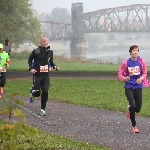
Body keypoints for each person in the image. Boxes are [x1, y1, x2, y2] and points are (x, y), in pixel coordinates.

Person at [118, 45, 148, 133]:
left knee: (137, 109)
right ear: (130, 52)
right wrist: (125, 78)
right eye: (134, 51)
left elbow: (145, 73)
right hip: (129, 87)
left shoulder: (141, 61)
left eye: (137, 51)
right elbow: (120, 74)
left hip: (138, 87)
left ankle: (129, 108)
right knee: (133, 105)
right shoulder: (126, 63)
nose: (135, 52)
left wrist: (141, 79)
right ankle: (134, 127)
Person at [28, 37, 59, 116]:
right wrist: (31, 68)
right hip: (37, 75)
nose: (45, 43)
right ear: (41, 42)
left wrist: (55, 66)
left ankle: (42, 109)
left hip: (46, 75)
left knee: (45, 91)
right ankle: (33, 91)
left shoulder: (50, 52)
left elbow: (51, 62)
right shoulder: (36, 51)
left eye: (47, 41)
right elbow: (30, 60)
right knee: (37, 93)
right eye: (44, 41)